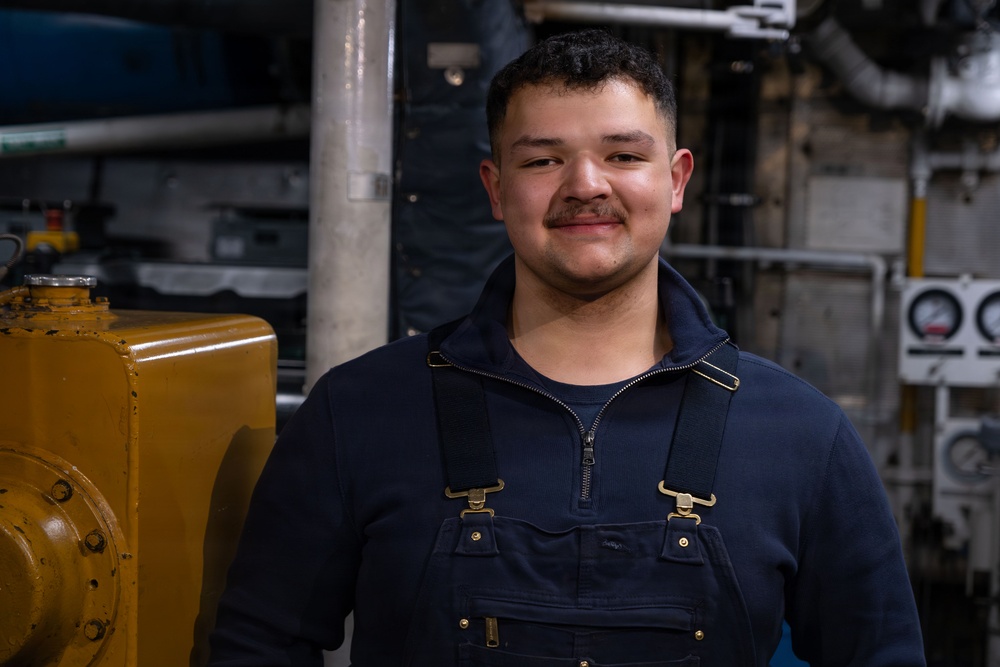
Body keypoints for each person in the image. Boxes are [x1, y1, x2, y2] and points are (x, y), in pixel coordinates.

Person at [209, 28, 926, 666]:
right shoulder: (358, 411)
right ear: (495, 188)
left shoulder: (803, 436)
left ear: (675, 181)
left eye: (622, 154)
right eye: (543, 160)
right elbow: (258, 644)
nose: (586, 186)